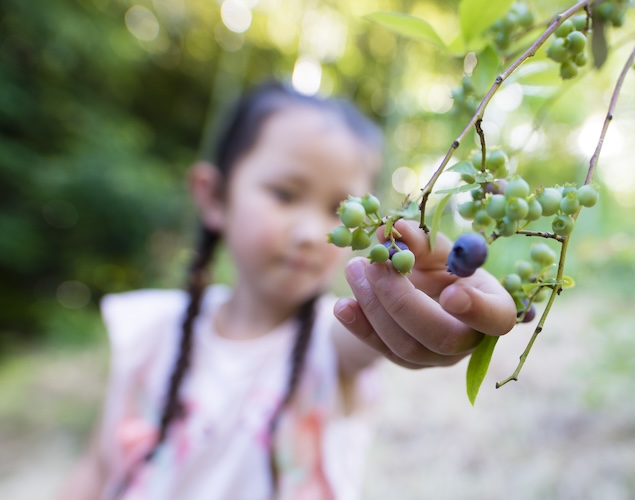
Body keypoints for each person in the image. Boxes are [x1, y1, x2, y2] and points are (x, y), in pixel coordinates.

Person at [59, 80, 516, 500]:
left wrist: (420, 295)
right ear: (214, 197)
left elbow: (366, 335)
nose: (309, 232)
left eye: (340, 209)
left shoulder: (334, 343)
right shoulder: (152, 329)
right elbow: (99, 469)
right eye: (284, 194)